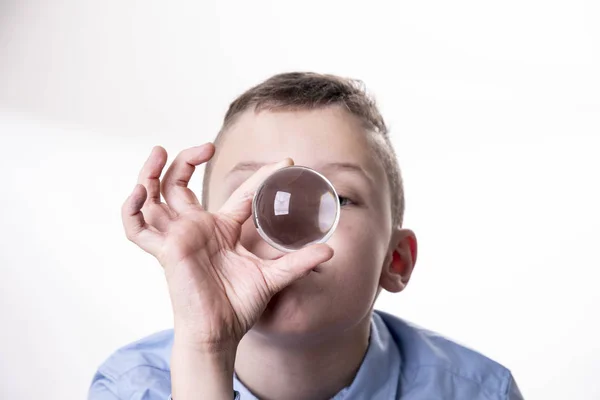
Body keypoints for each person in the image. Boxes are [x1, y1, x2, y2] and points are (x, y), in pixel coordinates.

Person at [88, 72, 523, 400]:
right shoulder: (129, 386)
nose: (290, 223)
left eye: (339, 198)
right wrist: (205, 349)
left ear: (396, 260)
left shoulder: (480, 392)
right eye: (257, 193)